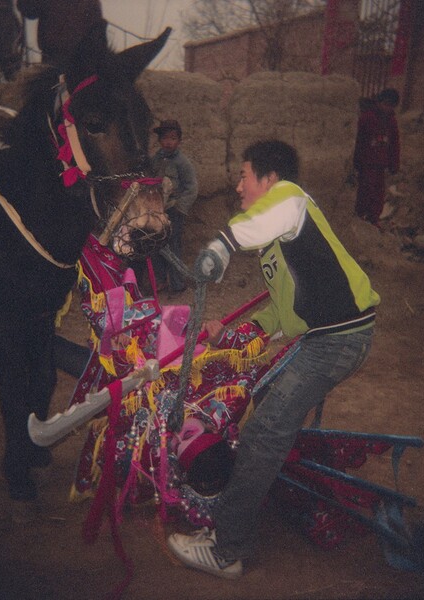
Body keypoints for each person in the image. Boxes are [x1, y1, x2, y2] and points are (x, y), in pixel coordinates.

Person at [167, 140, 380, 579]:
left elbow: (249, 227)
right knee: (266, 408)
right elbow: (283, 313)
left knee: (262, 436)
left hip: (336, 340)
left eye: (245, 176)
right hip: (327, 337)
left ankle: (227, 550)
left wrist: (221, 247)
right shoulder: (279, 244)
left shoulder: (290, 199)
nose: (239, 185)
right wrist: (238, 333)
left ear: (269, 179)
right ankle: (247, 509)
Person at [149, 119, 198, 295]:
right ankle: (160, 281)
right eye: (165, 138)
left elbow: (192, 188)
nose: (169, 142)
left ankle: (177, 283)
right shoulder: (155, 159)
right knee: (155, 245)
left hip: (173, 211)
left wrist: (180, 209)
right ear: (160, 140)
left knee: (173, 245)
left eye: (173, 138)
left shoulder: (182, 163)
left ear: (179, 141)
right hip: (156, 211)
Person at [353, 88, 400, 227]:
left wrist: (394, 164)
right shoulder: (367, 118)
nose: (388, 108)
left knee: (378, 193)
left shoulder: (391, 121)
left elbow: (394, 144)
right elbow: (359, 141)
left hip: (380, 164)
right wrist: (357, 162)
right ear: (379, 102)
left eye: (391, 105)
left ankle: (373, 219)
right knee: (364, 191)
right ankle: (360, 216)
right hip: (366, 163)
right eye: (386, 104)